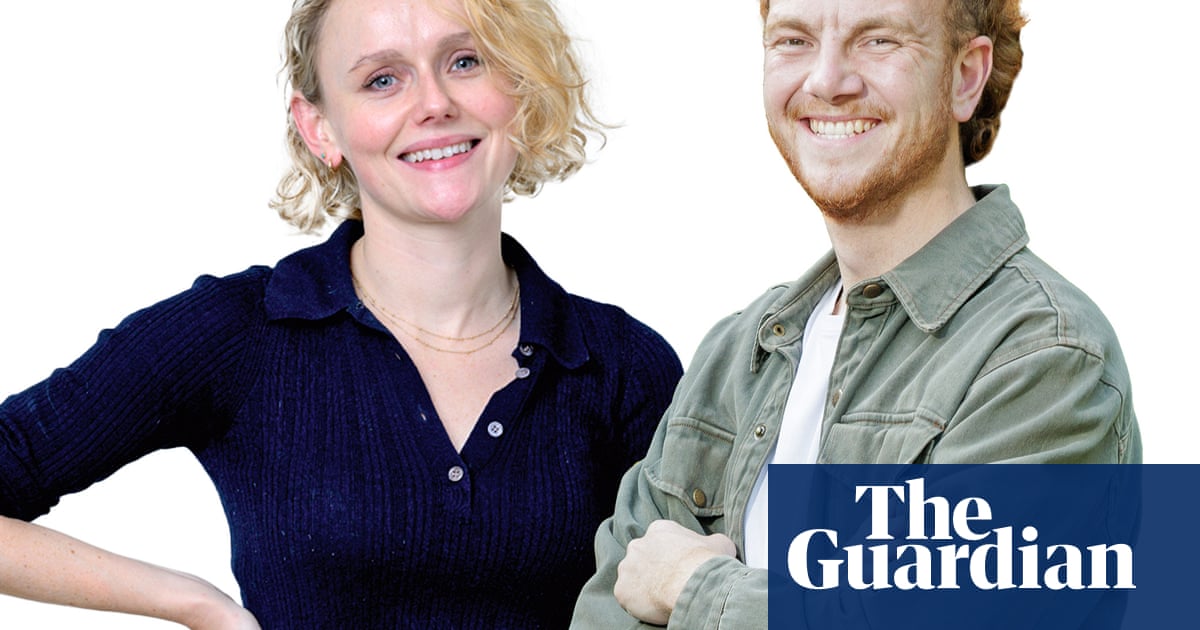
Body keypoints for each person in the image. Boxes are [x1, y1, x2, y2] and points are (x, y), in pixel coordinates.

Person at [0, 0, 682, 627]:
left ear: (521, 89)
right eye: (382, 79)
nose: (435, 103)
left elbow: (698, 592)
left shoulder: (624, 366)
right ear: (319, 128)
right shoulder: (241, 332)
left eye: (465, 61)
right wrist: (192, 602)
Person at [570, 0, 1142, 627]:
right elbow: (605, 611)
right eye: (793, 40)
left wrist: (690, 586)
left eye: (878, 40)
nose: (826, 81)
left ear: (965, 76)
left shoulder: (1044, 357)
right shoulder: (737, 354)